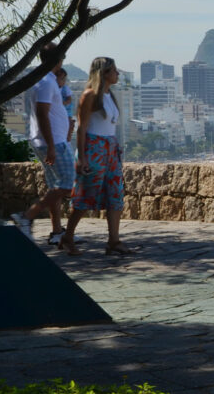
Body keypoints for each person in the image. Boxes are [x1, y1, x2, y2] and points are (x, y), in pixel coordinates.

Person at [59, 57, 136, 256]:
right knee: (86, 193)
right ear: (104, 73)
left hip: (110, 147)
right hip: (94, 147)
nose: (117, 73)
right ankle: (67, 236)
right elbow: (82, 128)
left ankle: (114, 240)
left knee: (115, 193)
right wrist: (82, 157)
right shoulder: (90, 95)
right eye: (114, 70)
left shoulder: (110, 95)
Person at [10, 44, 73, 245]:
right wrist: (52, 145)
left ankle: (56, 232)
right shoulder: (46, 81)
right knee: (66, 184)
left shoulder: (48, 80)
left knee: (56, 186)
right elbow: (42, 113)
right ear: (58, 59)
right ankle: (27, 216)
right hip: (52, 142)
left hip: (53, 140)